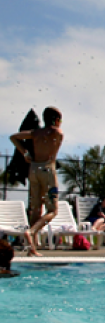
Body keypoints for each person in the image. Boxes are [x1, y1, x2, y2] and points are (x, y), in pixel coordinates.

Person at [9, 106, 64, 257]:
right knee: (53, 210)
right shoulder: (57, 133)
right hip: (47, 169)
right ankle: (31, 231)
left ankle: (31, 249)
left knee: (36, 208)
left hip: (33, 169)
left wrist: (25, 153)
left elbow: (13, 137)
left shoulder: (35, 133)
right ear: (56, 120)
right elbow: (54, 151)